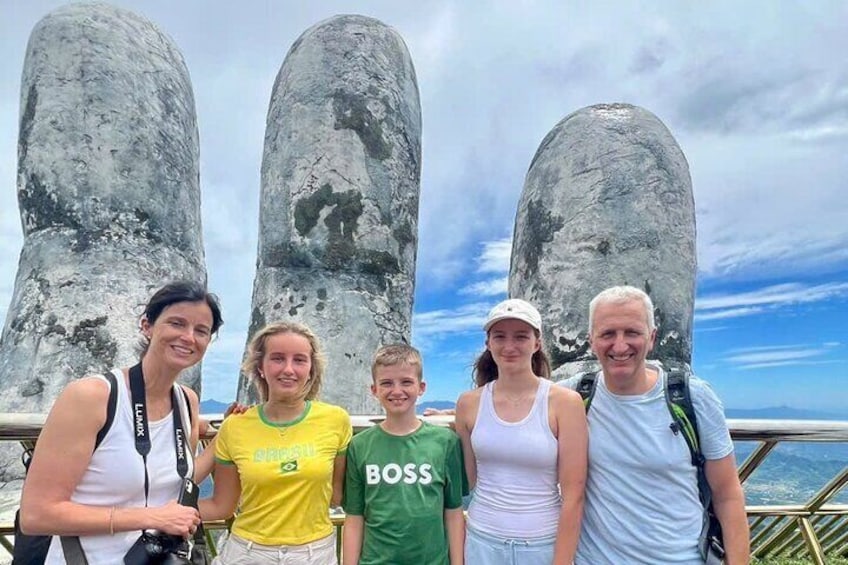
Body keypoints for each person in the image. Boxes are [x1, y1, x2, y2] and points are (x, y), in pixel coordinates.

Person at [20, 280, 223, 564]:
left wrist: (229, 436)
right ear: (147, 326)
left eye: (201, 331)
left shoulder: (187, 402)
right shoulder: (92, 397)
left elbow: (176, 478)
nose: (189, 337)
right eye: (177, 323)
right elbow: (36, 515)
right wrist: (152, 517)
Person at [559, 285, 750, 564]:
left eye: (632, 332)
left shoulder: (693, 398)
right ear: (591, 340)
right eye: (608, 334)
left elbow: (728, 494)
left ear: (651, 338)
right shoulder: (571, 397)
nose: (620, 346)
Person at [199, 321, 352, 564]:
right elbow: (222, 506)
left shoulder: (335, 420)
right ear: (260, 367)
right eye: (278, 358)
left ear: (311, 369)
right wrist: (152, 515)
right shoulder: (236, 426)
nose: (288, 369)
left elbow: (337, 495)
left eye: (299, 360)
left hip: (314, 554)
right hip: (248, 552)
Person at [455, 298, 588, 565]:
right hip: (481, 541)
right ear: (488, 344)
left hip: (542, 545)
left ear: (537, 343)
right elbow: (466, 481)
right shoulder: (468, 403)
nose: (509, 346)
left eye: (521, 336)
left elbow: (574, 493)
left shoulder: (565, 402)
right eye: (500, 336)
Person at [342, 344, 466, 565]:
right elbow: (354, 517)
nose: (397, 391)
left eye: (406, 382)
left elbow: (454, 511)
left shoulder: (445, 442)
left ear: (421, 387)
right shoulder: (359, 446)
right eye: (387, 383)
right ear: (374, 390)